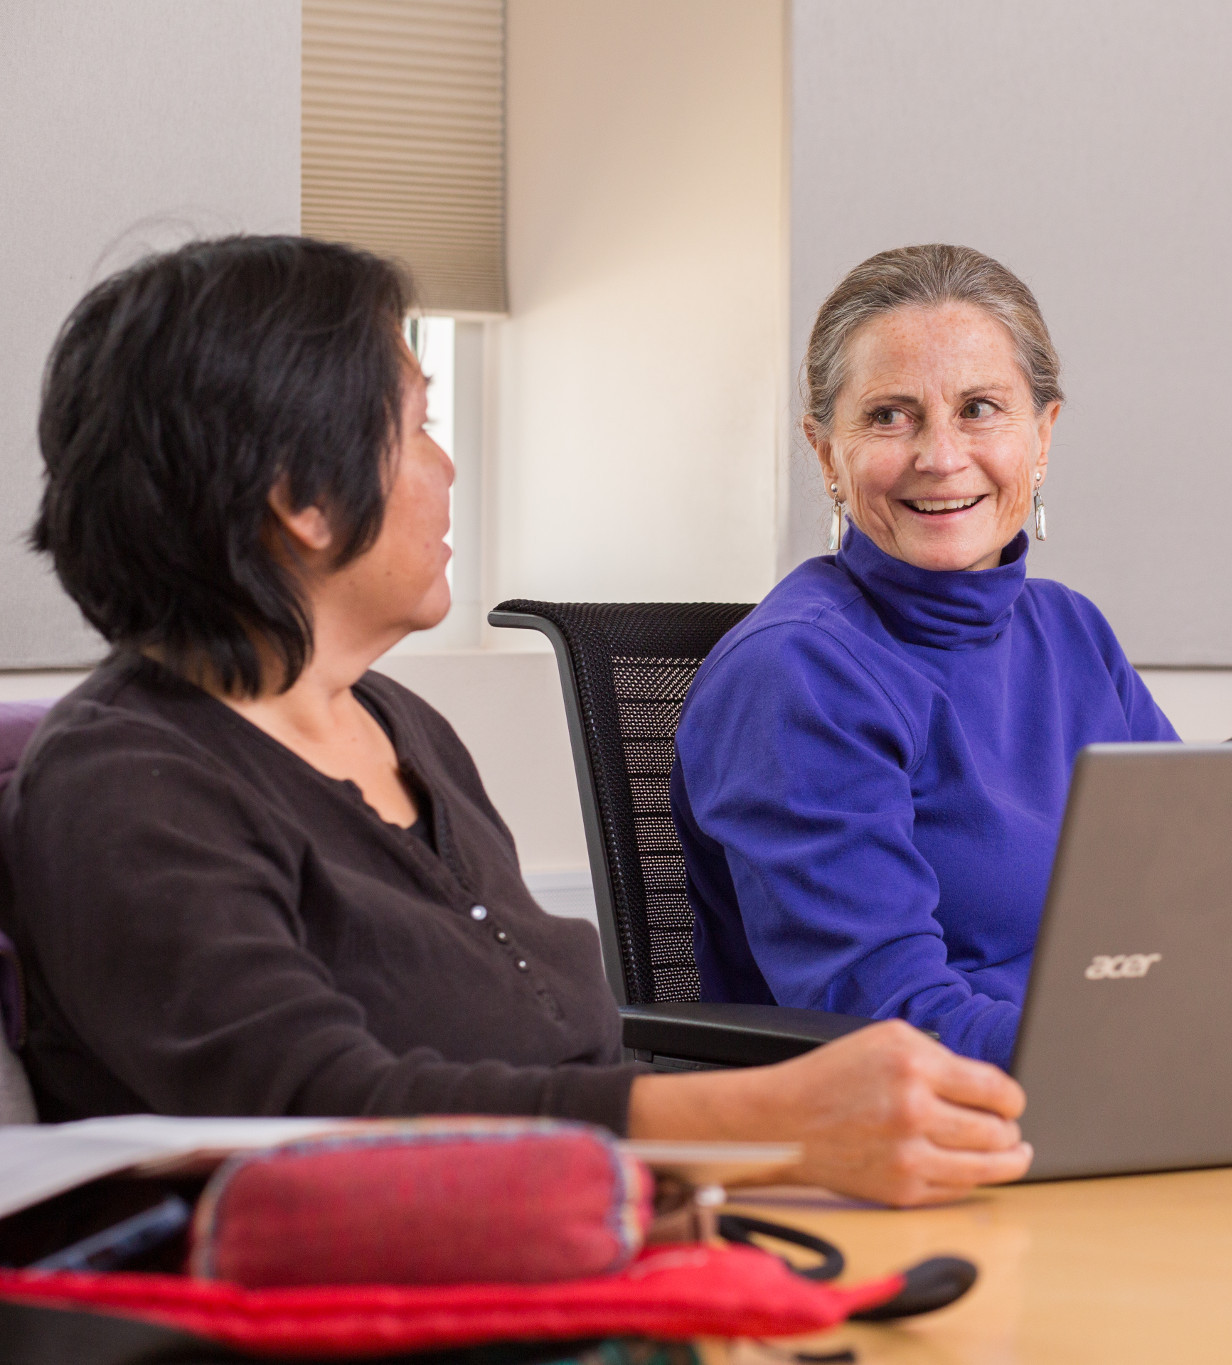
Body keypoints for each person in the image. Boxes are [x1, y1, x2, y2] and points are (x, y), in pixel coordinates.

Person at [0, 235, 1030, 1207]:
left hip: (562, 1253)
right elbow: (312, 1116)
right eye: (415, 429)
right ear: (300, 498)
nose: (447, 470)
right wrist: (757, 1124)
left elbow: (563, 1059)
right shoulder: (126, 787)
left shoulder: (398, 727)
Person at [671, 245, 1177, 1068]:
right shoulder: (796, 673)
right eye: (889, 416)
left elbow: (1198, 902)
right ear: (827, 454)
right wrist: (1150, 1050)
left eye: (980, 408)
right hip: (927, 1136)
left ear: (1041, 438)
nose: (941, 456)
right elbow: (894, 1017)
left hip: (1117, 1097)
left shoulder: (1073, 633)